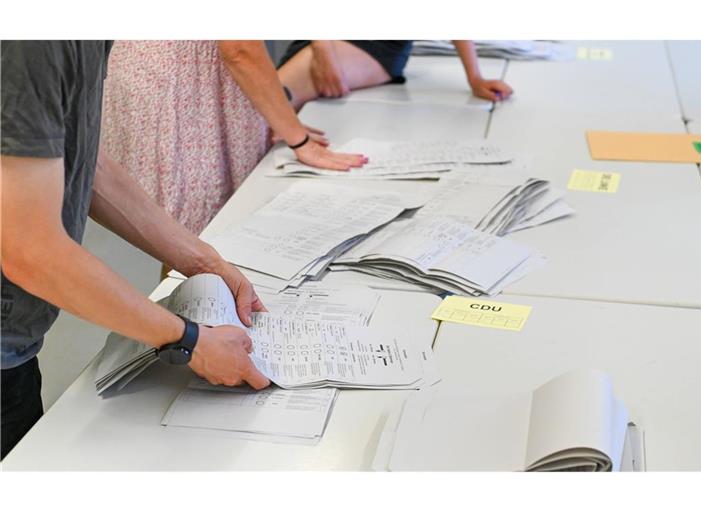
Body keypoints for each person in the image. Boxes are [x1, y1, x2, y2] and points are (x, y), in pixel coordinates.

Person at [0, 41, 270, 459]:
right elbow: (30, 250)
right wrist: (189, 340)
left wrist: (204, 261)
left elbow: (80, 156)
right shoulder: (32, 44)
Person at [101, 40, 367, 235]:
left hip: (169, 74)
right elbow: (240, 49)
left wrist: (282, 119)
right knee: (195, 238)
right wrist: (299, 140)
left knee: (190, 234)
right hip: (182, 87)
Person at [277, 40, 514, 110]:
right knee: (266, 105)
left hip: (376, 46)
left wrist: (475, 79)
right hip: (321, 40)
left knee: (269, 107)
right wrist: (321, 44)